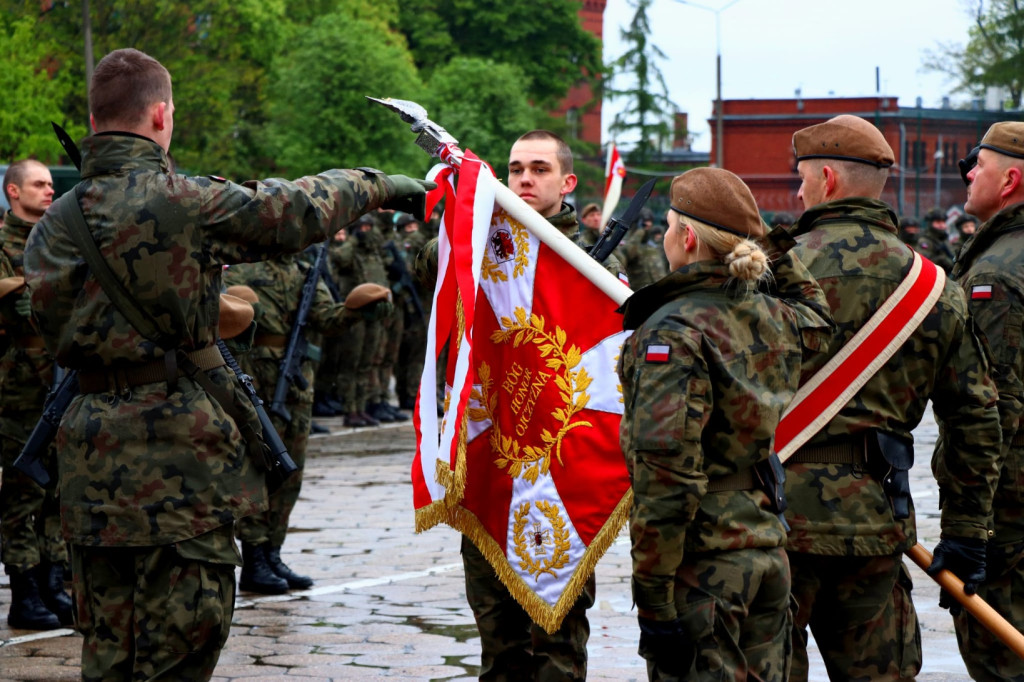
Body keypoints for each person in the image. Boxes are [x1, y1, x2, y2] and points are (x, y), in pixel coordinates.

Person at [21, 48, 432, 682]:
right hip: (180, 468)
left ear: (95, 119)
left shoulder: (53, 225)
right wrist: (387, 184)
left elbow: (47, 329)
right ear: (161, 115)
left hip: (87, 458)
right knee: (182, 651)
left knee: (108, 652)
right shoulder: (182, 201)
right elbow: (297, 208)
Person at [783, 114, 1002, 681]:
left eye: (801, 179)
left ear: (826, 179)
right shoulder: (933, 287)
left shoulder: (767, 274)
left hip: (768, 523)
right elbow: (976, 420)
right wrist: (965, 535)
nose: (797, 191)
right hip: (875, 526)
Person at [618, 167, 832, 681]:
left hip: (705, 564)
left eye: (670, 227)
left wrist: (652, 600)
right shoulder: (776, 315)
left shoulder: (673, 330)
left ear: (686, 237)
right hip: (765, 548)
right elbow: (818, 316)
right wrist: (766, 244)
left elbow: (666, 479)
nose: (666, 237)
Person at [454, 129, 623, 680]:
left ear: (567, 181)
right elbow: (432, 270)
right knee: (498, 648)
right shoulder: (482, 244)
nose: (525, 178)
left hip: (560, 477)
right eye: (516, 168)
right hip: (493, 467)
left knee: (557, 651)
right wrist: (465, 215)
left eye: (539, 169)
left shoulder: (590, 267)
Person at [222, 263, 392, 595]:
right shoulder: (236, 268)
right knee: (257, 469)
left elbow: (328, 319)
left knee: (290, 471)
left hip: (296, 381)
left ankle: (273, 553)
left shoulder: (303, 269)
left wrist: (360, 310)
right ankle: (254, 557)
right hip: (250, 379)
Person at [949, 121, 1024, 680]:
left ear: (1011, 180)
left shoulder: (997, 274)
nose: (969, 175)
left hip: (1010, 516)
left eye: (979, 165)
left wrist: (967, 531)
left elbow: (990, 411)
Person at [0, 159, 72, 630]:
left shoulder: (58, 244)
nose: (49, 191)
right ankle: (23, 590)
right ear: (12, 191)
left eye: (51, 184)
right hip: (17, 387)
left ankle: (53, 582)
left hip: (60, 380)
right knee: (22, 493)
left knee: (57, 490)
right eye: (39, 184)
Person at [914, 207, 956, 273]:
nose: (941, 225)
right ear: (930, 223)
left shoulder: (944, 239)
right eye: (938, 222)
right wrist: (940, 259)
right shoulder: (925, 240)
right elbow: (923, 263)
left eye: (943, 222)